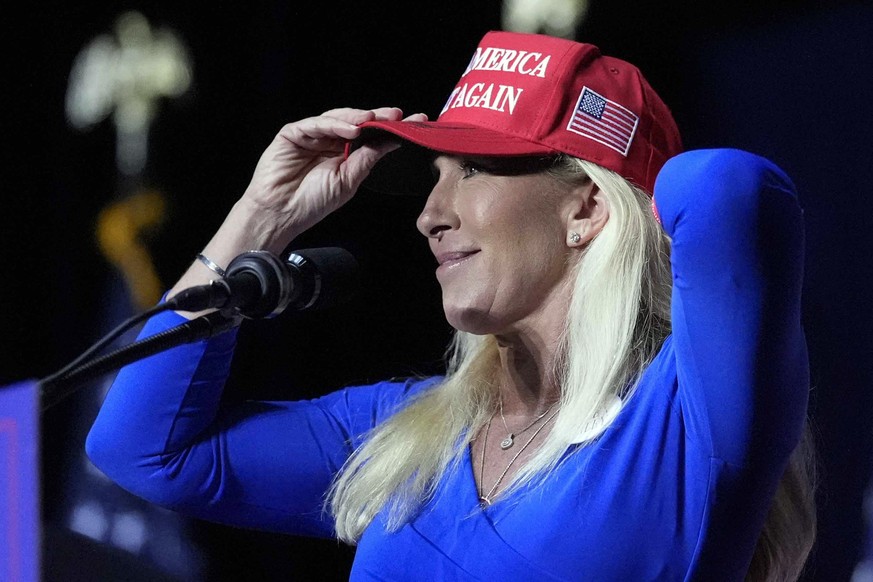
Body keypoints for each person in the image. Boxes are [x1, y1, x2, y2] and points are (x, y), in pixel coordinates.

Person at [86, 31, 816, 580]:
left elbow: (725, 187)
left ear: (586, 207)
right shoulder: (409, 436)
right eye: (434, 175)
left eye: (471, 170)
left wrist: (619, 149)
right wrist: (260, 219)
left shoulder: (690, 422)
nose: (429, 214)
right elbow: (141, 449)